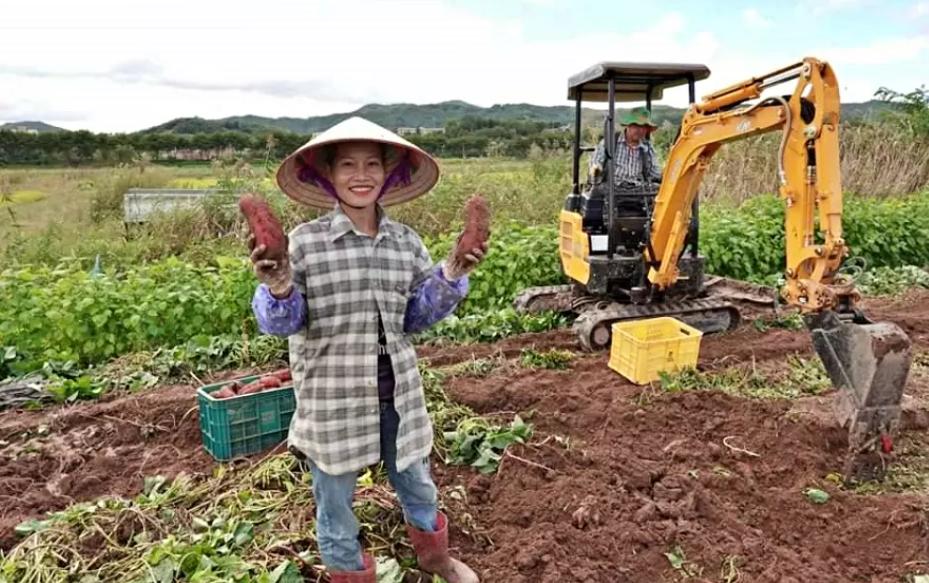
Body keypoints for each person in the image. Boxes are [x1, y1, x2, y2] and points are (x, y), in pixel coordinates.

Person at [249, 116, 485, 583]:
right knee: (335, 502)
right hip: (333, 399)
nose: (362, 175)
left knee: (417, 481)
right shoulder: (304, 245)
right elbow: (282, 325)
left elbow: (416, 316)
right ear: (328, 176)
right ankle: (352, 574)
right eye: (348, 165)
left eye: (373, 164)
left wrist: (454, 271)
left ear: (390, 173)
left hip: (398, 393)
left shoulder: (405, 243)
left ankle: (435, 558)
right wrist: (277, 285)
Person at [589, 106, 662, 185]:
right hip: (613, 190)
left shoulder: (647, 147)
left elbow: (655, 173)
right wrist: (596, 171)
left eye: (644, 127)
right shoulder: (610, 142)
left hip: (638, 191)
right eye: (637, 126)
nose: (640, 130)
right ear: (628, 126)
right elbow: (595, 166)